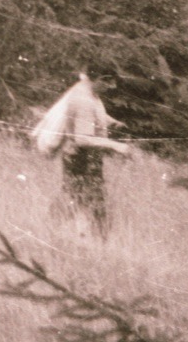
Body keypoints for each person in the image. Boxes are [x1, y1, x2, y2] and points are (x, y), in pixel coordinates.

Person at [32, 71, 129, 238]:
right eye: (109, 82)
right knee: (89, 203)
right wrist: (116, 145)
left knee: (75, 198)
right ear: (99, 79)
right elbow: (82, 139)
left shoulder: (86, 92)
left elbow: (88, 114)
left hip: (78, 156)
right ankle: (99, 243)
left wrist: (110, 122)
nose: (111, 87)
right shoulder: (84, 99)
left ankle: (48, 232)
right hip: (82, 158)